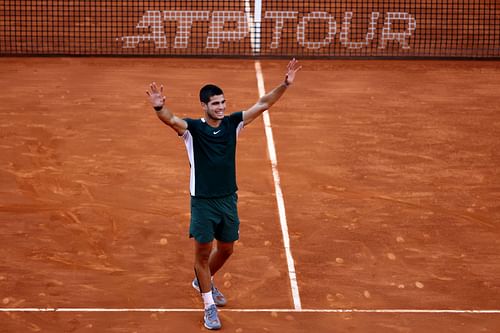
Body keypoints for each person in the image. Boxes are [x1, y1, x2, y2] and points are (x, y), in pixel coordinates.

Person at [146, 59, 301, 330]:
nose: (221, 107)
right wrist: (159, 106)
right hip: (203, 201)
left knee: (227, 249)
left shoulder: (233, 124)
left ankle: (201, 281)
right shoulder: (192, 130)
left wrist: (284, 85)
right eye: (215, 103)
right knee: (203, 254)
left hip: (228, 199)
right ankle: (209, 306)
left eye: (223, 102)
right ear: (204, 106)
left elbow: (263, 103)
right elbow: (170, 119)